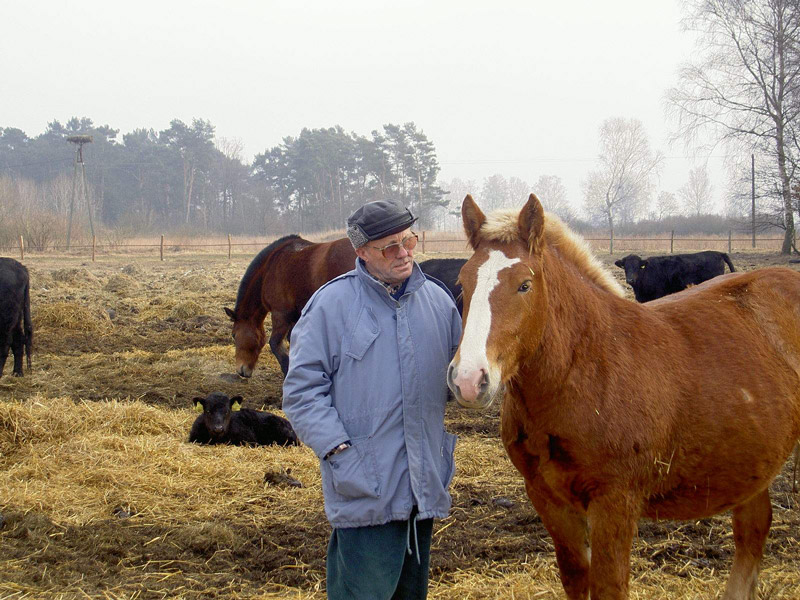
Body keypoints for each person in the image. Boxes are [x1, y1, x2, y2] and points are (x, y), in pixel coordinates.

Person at [282, 198, 462, 599]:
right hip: (364, 488)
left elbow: (456, 382)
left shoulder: (438, 303)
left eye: (409, 241)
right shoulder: (331, 306)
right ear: (361, 251)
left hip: (423, 488)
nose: (404, 254)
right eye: (389, 247)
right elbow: (301, 392)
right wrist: (337, 450)